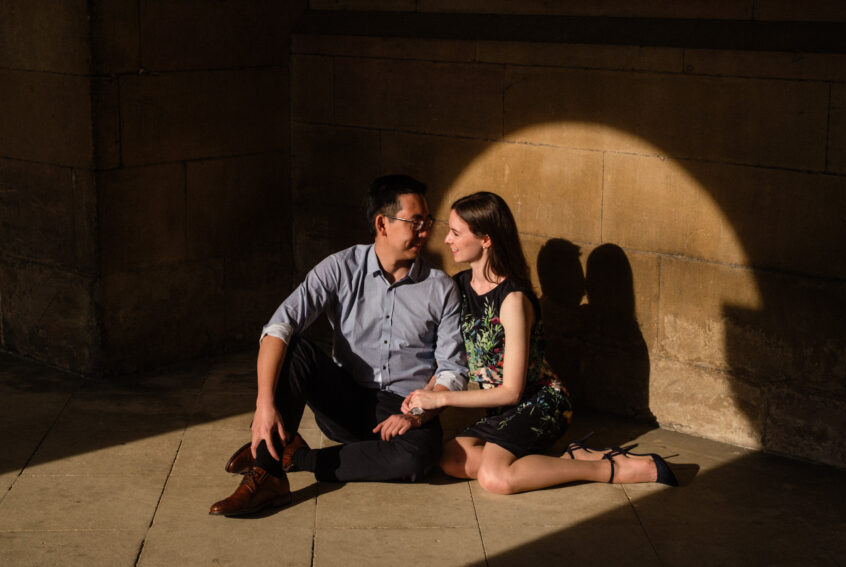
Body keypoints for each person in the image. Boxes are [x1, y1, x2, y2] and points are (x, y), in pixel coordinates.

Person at [210, 175, 468, 516]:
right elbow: (278, 326)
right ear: (382, 224)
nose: (425, 232)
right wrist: (264, 404)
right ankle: (267, 474)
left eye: (428, 223)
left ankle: (298, 456)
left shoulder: (441, 288)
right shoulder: (340, 267)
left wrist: (417, 415)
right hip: (345, 400)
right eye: (415, 223)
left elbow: (452, 370)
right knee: (296, 349)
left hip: (404, 408)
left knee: (420, 458)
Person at [404, 192, 677, 494]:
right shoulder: (457, 286)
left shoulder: (513, 300)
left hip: (541, 402)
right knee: (452, 460)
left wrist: (442, 400)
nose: (447, 240)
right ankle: (568, 457)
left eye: (456, 233)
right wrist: (423, 396)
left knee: (495, 478)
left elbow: (511, 392)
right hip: (500, 410)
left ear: (486, 239)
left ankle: (612, 468)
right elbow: (450, 357)